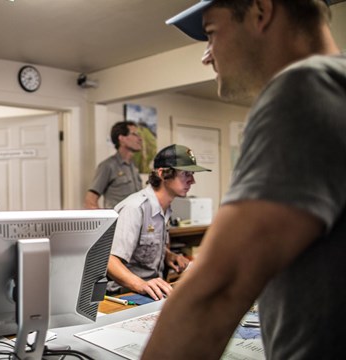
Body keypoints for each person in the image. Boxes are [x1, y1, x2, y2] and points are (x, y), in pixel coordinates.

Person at [143, 1, 346, 359]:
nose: (206, 56)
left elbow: (219, 289)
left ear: (261, 10)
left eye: (210, 34)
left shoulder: (306, 86)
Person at [107, 144, 210, 300]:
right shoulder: (134, 208)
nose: (192, 181)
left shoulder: (165, 209)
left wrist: (169, 256)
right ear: (163, 174)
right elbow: (110, 262)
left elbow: (144, 245)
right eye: (186, 174)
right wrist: (141, 285)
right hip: (125, 295)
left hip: (153, 291)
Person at [84, 121, 143, 209]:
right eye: (134, 134)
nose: (140, 138)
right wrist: (105, 221)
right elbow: (90, 201)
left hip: (136, 221)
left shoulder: (133, 166)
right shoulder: (108, 166)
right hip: (118, 222)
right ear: (122, 138)